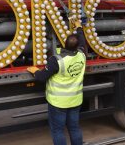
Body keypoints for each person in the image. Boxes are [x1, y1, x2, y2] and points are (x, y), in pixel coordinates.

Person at [27, 17, 86, 145]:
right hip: (75, 100)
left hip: (58, 103)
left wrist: (34, 70)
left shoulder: (56, 60)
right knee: (74, 128)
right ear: (78, 47)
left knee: (58, 130)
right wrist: (79, 28)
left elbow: (42, 77)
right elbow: (82, 42)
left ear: (64, 44)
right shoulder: (82, 55)